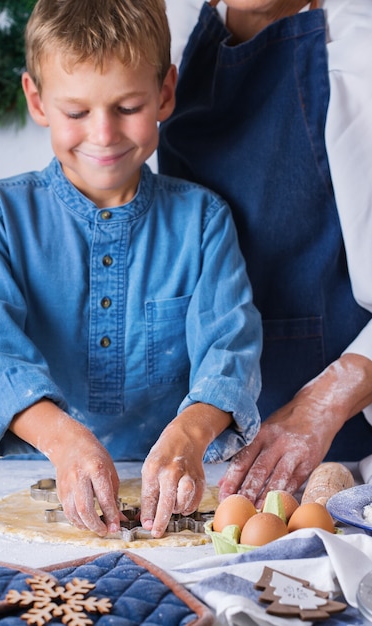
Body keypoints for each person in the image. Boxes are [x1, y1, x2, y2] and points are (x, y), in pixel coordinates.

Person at [0, 0, 262, 538]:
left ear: (165, 92)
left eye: (127, 106)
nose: (103, 134)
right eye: (76, 112)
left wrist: (190, 434)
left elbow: (229, 349)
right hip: (5, 478)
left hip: (166, 488)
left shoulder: (203, 219)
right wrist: (65, 441)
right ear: (37, 99)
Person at [158, 0, 372, 508]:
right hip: (190, 447)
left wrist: (325, 401)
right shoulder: (170, 32)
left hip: (333, 456)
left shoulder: (358, 53)